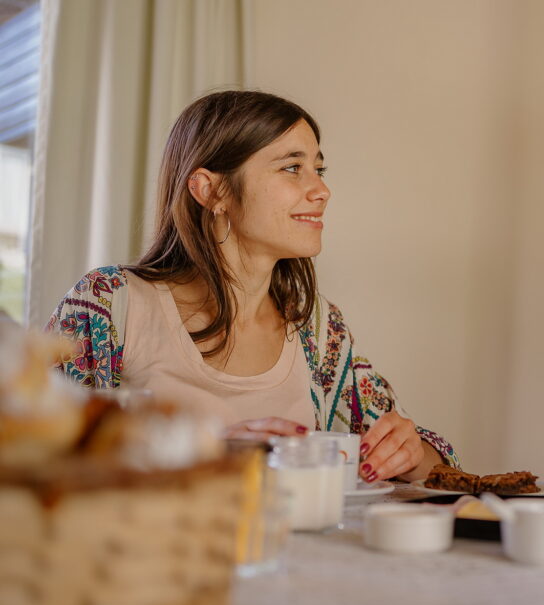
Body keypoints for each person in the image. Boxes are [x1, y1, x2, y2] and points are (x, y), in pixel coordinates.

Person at [47, 90, 458, 483]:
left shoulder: (318, 329)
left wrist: (411, 453)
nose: (322, 191)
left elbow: (434, 464)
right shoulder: (108, 304)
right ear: (211, 190)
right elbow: (29, 455)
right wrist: (206, 454)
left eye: (319, 169)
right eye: (292, 168)